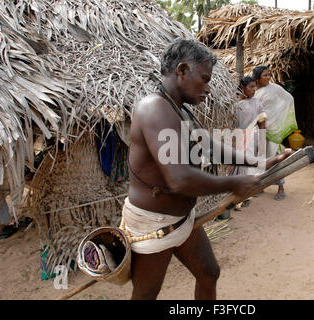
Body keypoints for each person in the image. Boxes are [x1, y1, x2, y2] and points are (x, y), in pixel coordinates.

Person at [123, 39, 292, 300]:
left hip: (182, 217)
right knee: (145, 295)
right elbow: (179, 180)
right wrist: (233, 184)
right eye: (204, 79)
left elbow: (209, 146)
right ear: (182, 70)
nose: (209, 89)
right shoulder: (154, 109)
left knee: (209, 273)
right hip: (153, 223)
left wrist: (258, 162)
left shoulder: (179, 110)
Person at [252, 65, 298, 201]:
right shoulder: (252, 89)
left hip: (272, 128)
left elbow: (289, 99)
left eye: (269, 74)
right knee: (259, 158)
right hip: (258, 129)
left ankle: (280, 187)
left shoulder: (275, 89)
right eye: (265, 75)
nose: (268, 77)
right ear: (257, 77)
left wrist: (277, 116)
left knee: (275, 158)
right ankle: (260, 186)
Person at [234, 76, 268, 208]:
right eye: (251, 87)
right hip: (237, 137)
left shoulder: (257, 103)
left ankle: (246, 195)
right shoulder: (234, 104)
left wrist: (262, 139)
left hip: (251, 137)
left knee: (249, 165)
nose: (254, 90)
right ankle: (238, 193)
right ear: (243, 88)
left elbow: (262, 122)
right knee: (237, 165)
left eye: (255, 87)